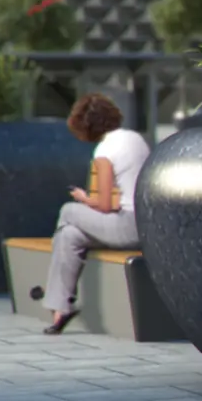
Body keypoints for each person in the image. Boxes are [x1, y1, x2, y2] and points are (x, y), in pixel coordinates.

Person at [43, 93, 151, 335]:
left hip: (127, 227)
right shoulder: (135, 138)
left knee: (67, 211)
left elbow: (102, 204)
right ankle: (61, 309)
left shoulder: (105, 150)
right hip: (146, 224)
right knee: (69, 235)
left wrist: (83, 198)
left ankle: (57, 301)